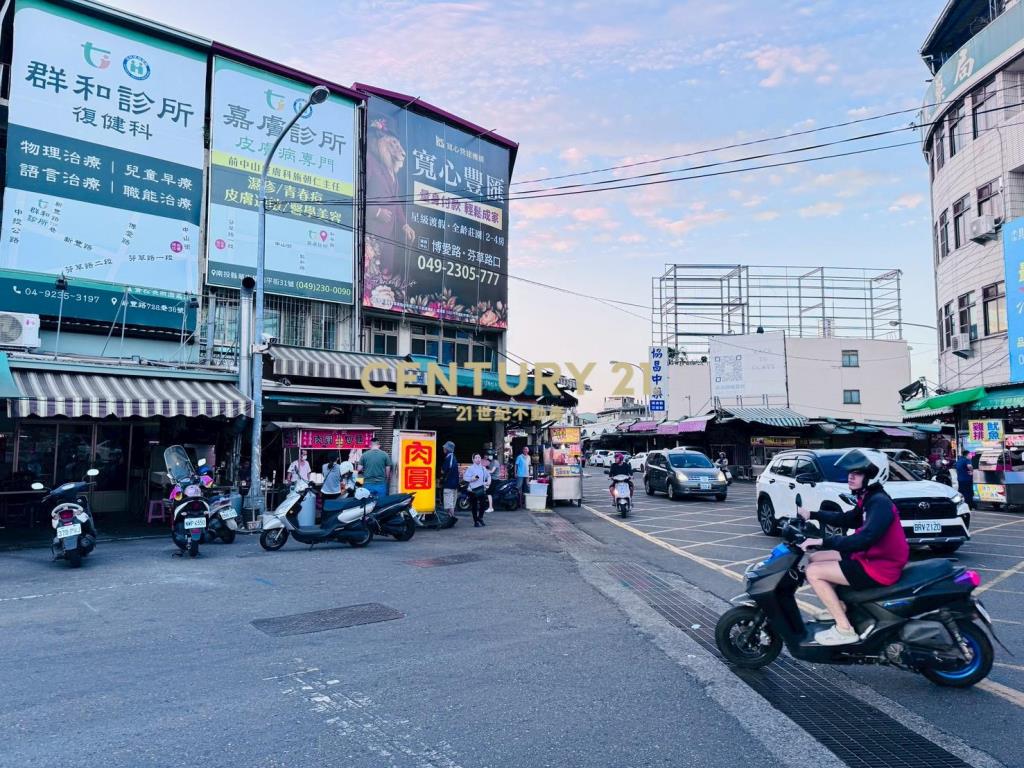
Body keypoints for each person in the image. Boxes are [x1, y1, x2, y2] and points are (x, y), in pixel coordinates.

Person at [797, 449, 909, 646]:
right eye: (850, 473)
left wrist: (822, 541)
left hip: (879, 566)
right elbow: (848, 519)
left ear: (872, 476)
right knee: (815, 559)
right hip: (869, 557)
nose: (850, 477)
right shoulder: (869, 498)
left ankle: (844, 629)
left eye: (857, 473)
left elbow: (864, 539)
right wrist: (812, 514)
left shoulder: (879, 503)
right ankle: (839, 606)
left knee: (814, 572)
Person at [463, 453, 492, 527]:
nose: (478, 459)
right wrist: (472, 479)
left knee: (483, 504)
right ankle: (476, 521)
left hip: (481, 489)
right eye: (476, 457)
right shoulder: (470, 468)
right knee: (474, 506)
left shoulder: (483, 468)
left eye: (479, 457)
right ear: (473, 459)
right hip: (472, 490)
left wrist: (488, 481)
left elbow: (488, 476)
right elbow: (465, 478)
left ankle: (480, 518)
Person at [440, 441, 460, 520]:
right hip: (454, 484)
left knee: (449, 503)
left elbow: (444, 470)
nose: (443, 448)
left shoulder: (449, 458)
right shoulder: (453, 457)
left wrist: (442, 472)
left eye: (444, 447)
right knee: (451, 502)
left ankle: (452, 518)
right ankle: (451, 517)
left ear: (448, 449)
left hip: (449, 484)